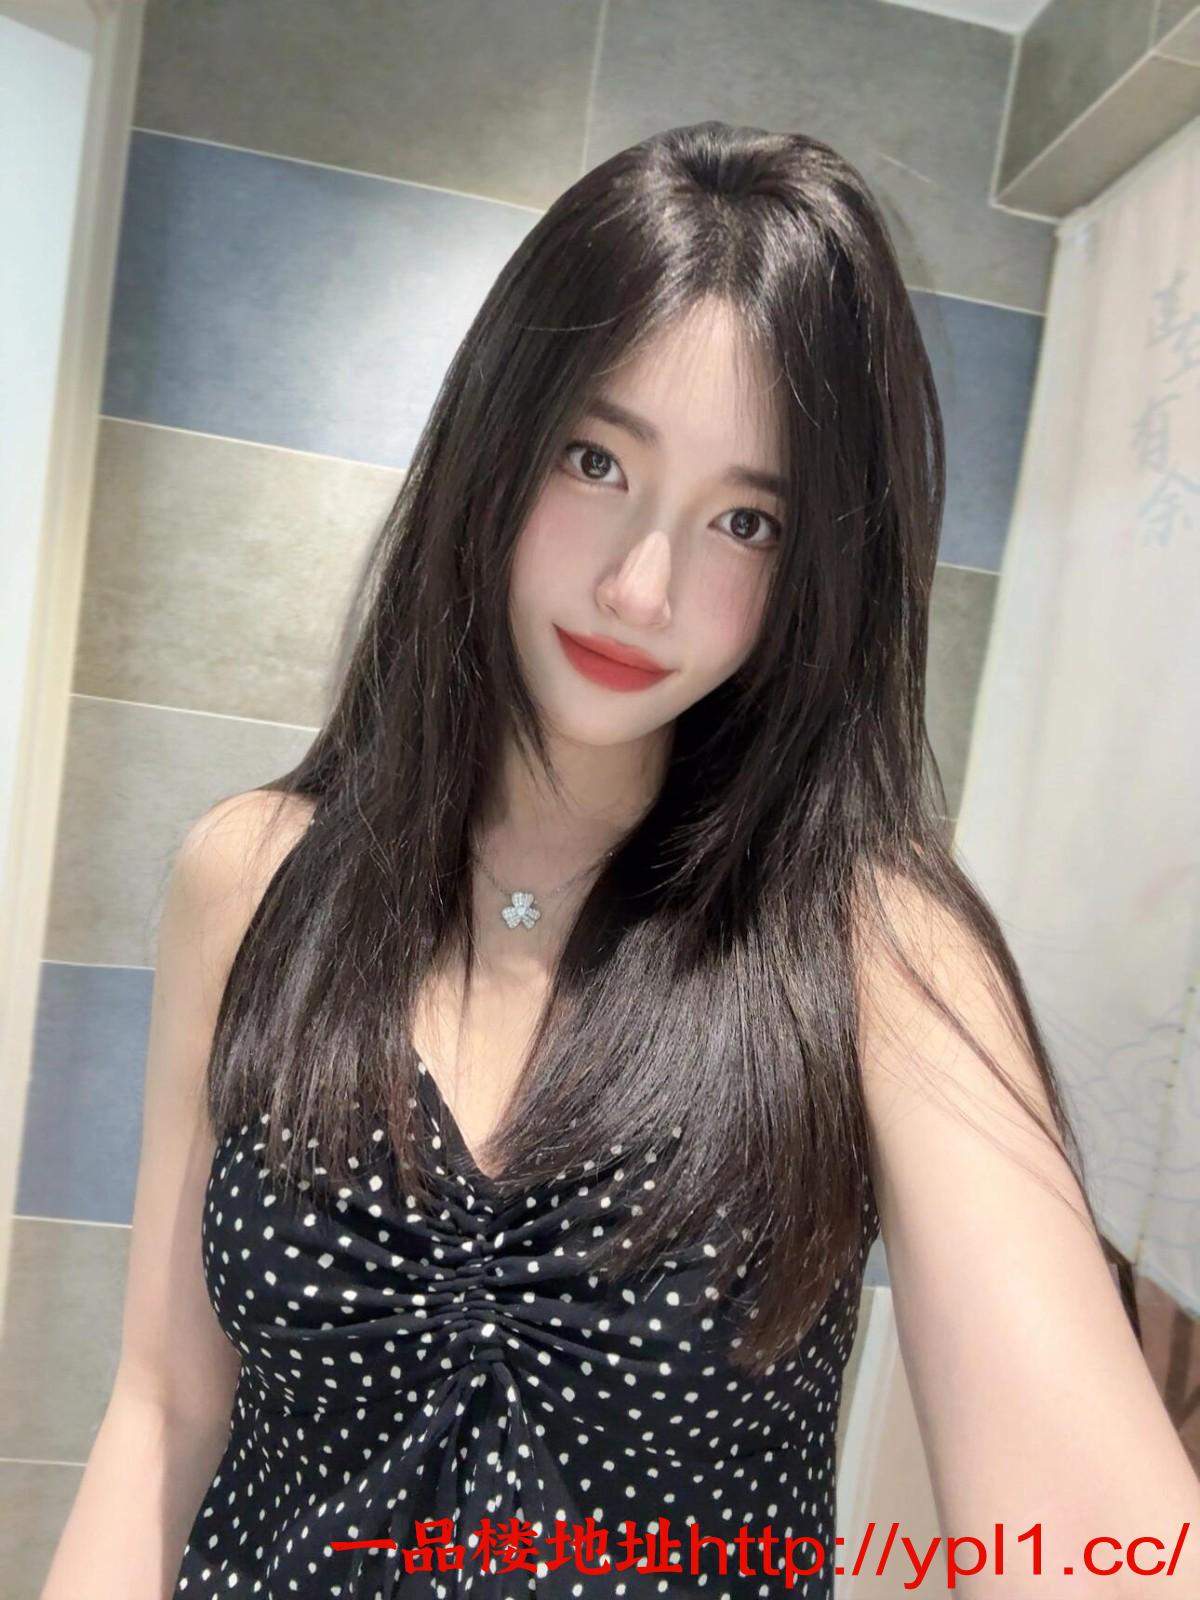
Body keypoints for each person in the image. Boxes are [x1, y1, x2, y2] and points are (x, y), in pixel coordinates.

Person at [42, 121, 1200, 1600]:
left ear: (818, 572)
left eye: (745, 521)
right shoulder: (253, 878)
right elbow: (163, 1410)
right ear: (496, 439)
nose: (641, 586)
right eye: (597, 461)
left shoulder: (870, 952)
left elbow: (1103, 1543)